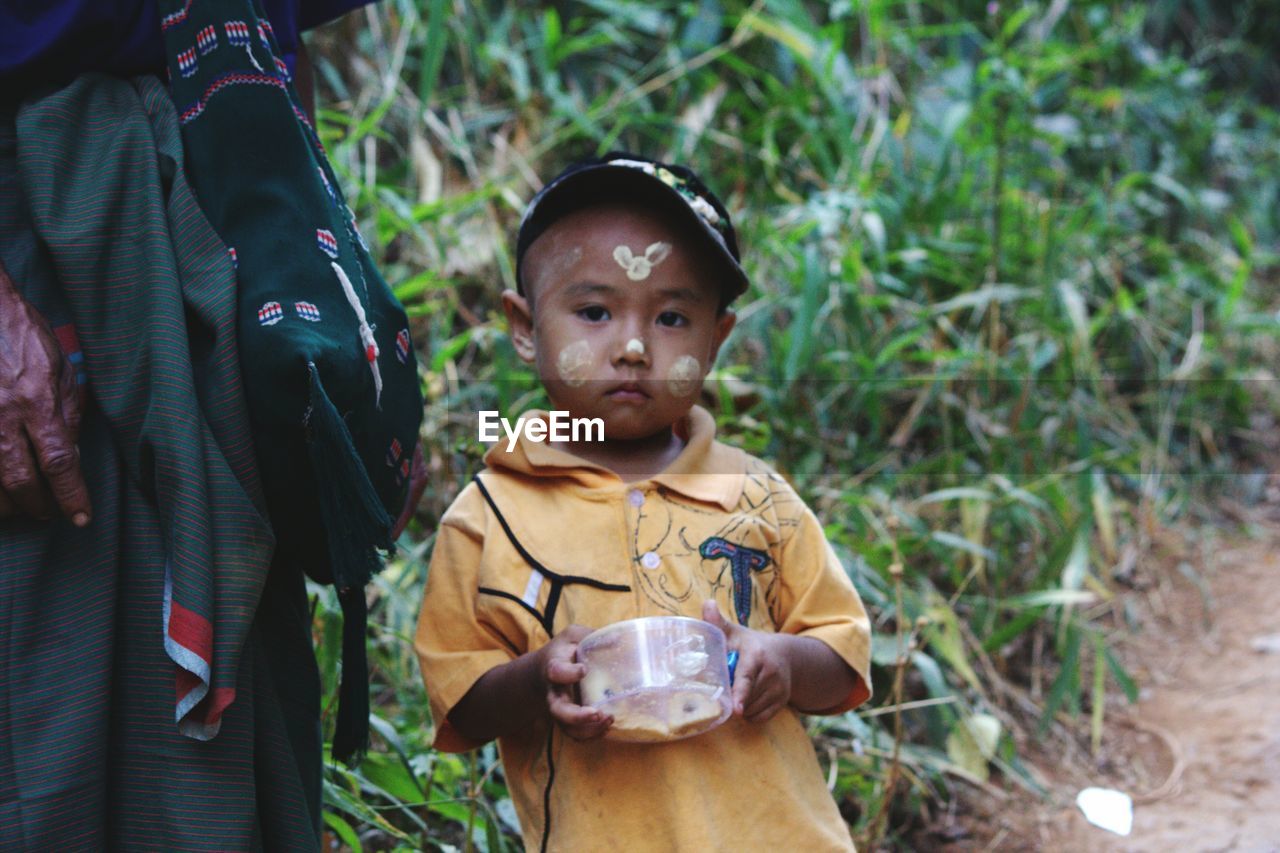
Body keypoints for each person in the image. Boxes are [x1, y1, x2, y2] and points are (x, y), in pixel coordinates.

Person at [0, 2, 425, 849]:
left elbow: (276, 54)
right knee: (46, 695)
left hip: (218, 244)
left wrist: (348, 340)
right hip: (37, 234)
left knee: (224, 731)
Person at [414, 153, 873, 851]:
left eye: (670, 318)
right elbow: (462, 701)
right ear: (525, 325)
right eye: (594, 311)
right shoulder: (489, 517)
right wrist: (538, 678)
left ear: (716, 338)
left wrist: (780, 659)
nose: (632, 346)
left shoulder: (756, 496)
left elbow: (843, 655)